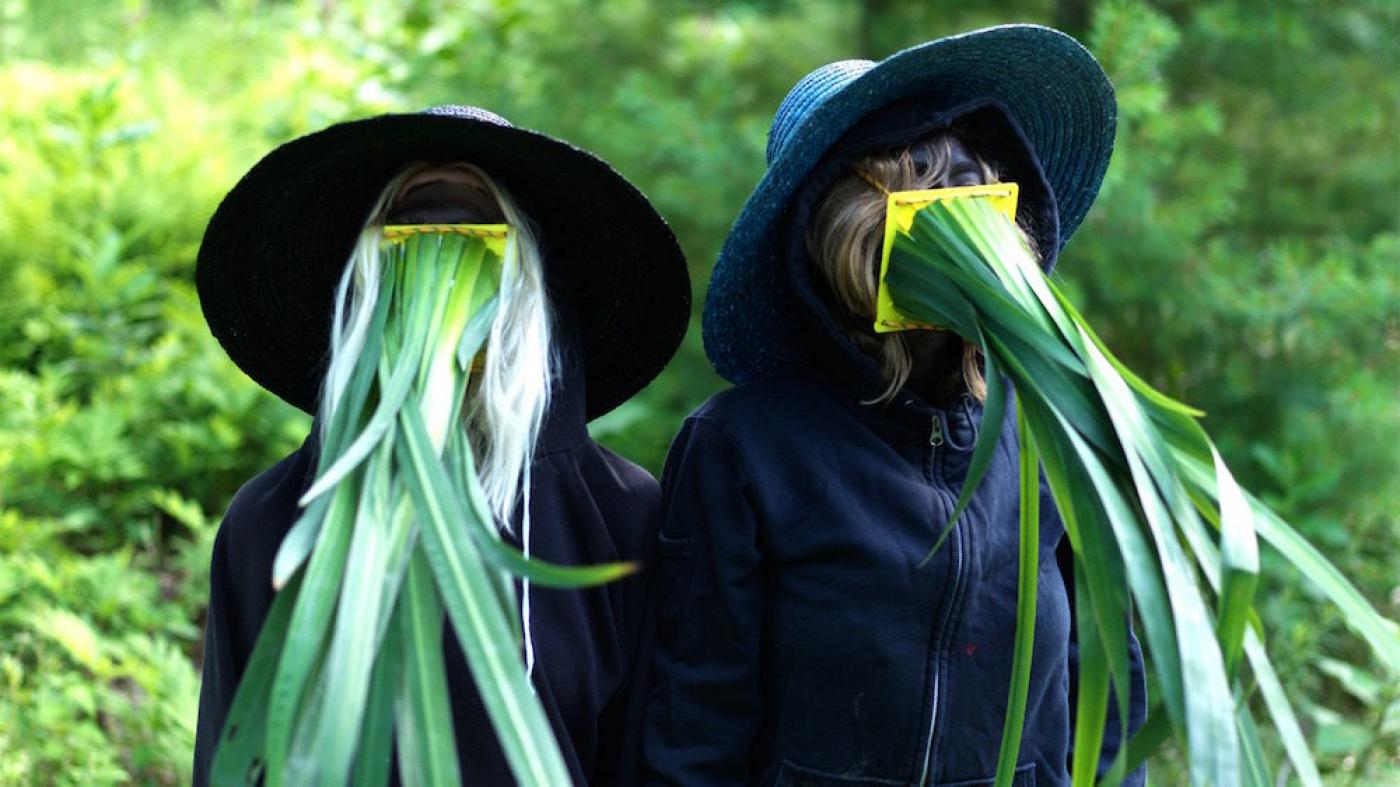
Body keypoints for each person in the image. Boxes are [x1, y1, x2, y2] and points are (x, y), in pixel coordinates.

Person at [643, 26, 1147, 786]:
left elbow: (1104, 708)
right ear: (825, 231)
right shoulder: (745, 447)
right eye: (905, 172)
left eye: (958, 169)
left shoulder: (1055, 429)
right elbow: (696, 730)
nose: (944, 189)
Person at [192, 105, 690, 785]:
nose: (442, 259)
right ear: (367, 278)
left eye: (477, 232)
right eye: (413, 228)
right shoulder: (274, 522)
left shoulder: (617, 515)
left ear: (527, 282)